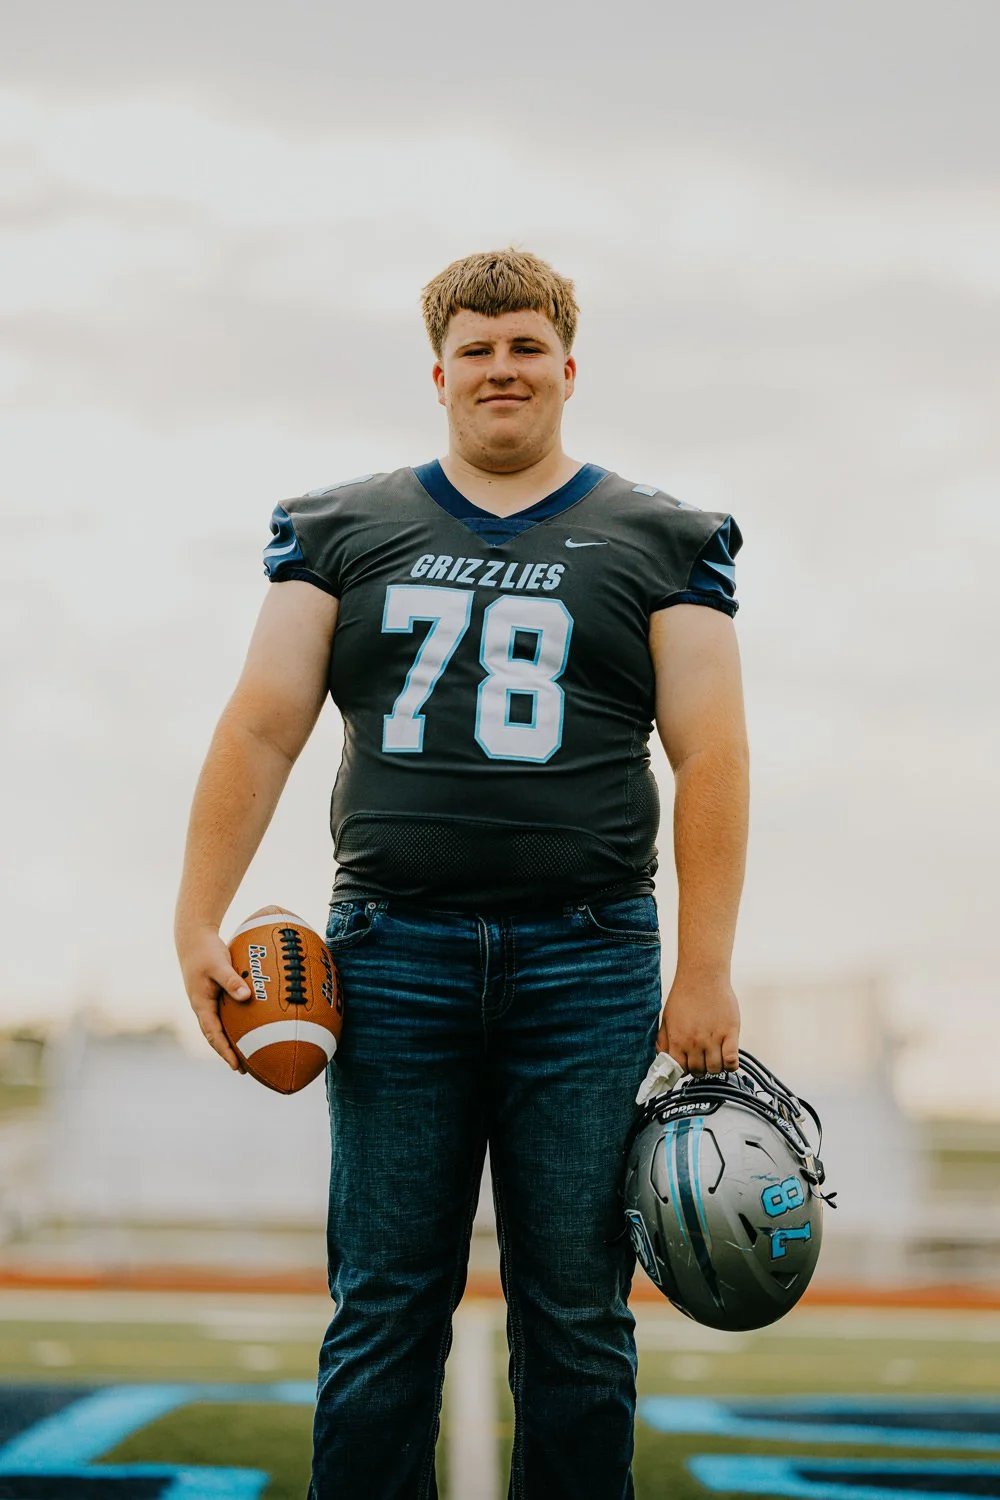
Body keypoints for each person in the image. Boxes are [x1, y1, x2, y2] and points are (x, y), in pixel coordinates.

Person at [175, 248, 749, 1500]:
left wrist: (703, 968)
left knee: (580, 1319)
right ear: (439, 373)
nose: (502, 368)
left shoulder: (665, 535)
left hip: (590, 957)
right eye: (478, 349)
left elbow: (710, 754)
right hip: (394, 953)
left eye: (525, 346)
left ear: (566, 368)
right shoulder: (340, 527)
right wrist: (195, 916)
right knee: (382, 1312)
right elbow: (264, 721)